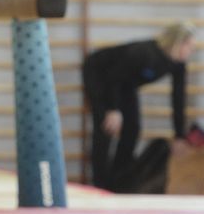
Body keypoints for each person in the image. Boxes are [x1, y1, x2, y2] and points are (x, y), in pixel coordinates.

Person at [82, 23, 196, 192]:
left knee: (133, 128)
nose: (191, 51)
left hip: (126, 82)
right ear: (177, 43)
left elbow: (178, 98)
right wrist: (113, 109)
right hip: (100, 74)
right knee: (106, 128)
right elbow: (114, 77)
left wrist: (179, 135)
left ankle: (117, 180)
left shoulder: (178, 64)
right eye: (189, 46)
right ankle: (100, 185)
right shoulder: (145, 53)